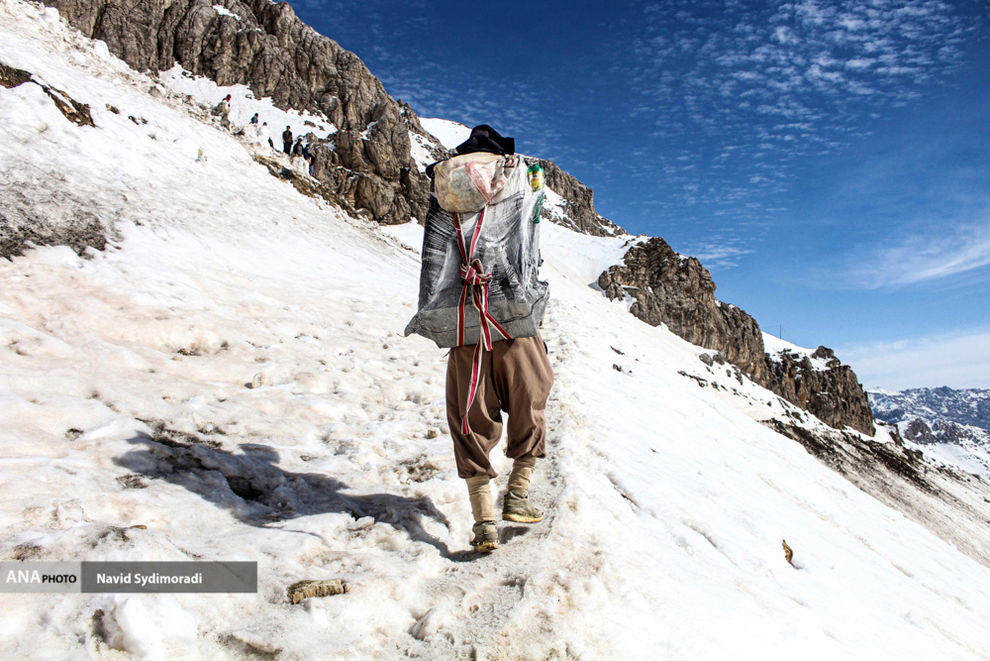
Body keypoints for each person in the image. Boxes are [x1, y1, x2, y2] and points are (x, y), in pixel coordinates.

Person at [410, 124, 553, 553]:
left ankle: (483, 522)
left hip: (465, 328)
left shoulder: (444, 195)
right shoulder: (519, 182)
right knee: (532, 394)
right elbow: (531, 247)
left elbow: (433, 268)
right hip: (513, 320)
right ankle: (519, 494)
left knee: (469, 418)